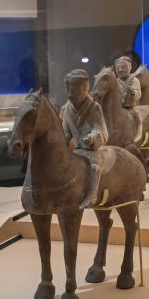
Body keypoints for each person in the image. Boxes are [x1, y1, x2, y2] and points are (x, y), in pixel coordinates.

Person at [61, 69, 108, 208]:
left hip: (91, 149)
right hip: (76, 149)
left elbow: (100, 129)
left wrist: (92, 138)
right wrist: (62, 139)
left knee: (93, 165)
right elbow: (66, 130)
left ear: (85, 89)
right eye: (68, 90)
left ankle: (92, 194)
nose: (70, 94)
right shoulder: (67, 108)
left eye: (75, 90)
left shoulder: (94, 107)